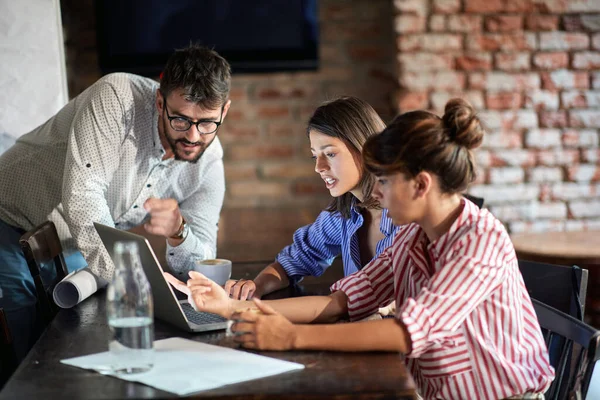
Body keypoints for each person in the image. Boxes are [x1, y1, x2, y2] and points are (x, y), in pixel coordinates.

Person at [166, 99, 555, 399]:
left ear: (420, 186)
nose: (377, 192)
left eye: (384, 181)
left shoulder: (477, 240)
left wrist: (291, 337)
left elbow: (407, 332)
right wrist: (230, 307)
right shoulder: (415, 234)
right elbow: (344, 301)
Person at [0, 44, 231, 359]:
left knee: (75, 336)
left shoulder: (209, 163)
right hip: (10, 217)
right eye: (181, 121)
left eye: (206, 123)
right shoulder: (117, 98)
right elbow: (84, 195)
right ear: (160, 102)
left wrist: (180, 232)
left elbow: (203, 265)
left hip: (72, 242)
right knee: (25, 347)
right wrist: (139, 276)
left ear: (224, 111)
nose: (192, 136)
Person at [224, 96, 401, 301]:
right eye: (315, 156)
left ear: (365, 147)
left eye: (330, 154)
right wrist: (255, 287)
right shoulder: (343, 214)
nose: (319, 167)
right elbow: (294, 260)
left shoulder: (407, 218)